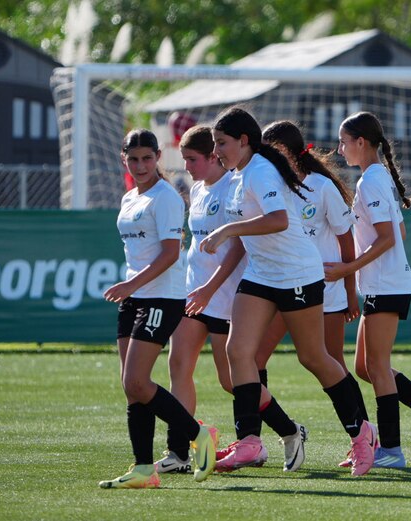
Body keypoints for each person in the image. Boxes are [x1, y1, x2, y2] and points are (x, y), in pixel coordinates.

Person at [201, 107, 377, 476]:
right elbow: (248, 231)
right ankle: (249, 442)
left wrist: (227, 230)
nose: (216, 151)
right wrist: (212, 278)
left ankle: (362, 433)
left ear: (244, 141)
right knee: (239, 352)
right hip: (262, 274)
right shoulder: (239, 175)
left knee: (313, 357)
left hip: (297, 273)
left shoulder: (261, 170)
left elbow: (278, 220)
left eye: (221, 143)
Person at [155, 125, 306, 474]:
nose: (186, 166)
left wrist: (210, 288)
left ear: (213, 156)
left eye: (192, 159)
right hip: (194, 293)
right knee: (178, 364)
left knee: (232, 381)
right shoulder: (198, 188)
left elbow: (238, 246)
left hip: (224, 296)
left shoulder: (233, 187)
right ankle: (179, 452)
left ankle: (289, 430)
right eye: (184, 159)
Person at [325, 111, 411, 468]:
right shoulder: (378, 177)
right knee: (365, 367)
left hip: (386, 285)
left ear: (361, 142)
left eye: (343, 142)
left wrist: (347, 269)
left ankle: (392, 451)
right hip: (384, 282)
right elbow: (399, 233)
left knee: (378, 366)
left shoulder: (371, 181)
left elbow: (387, 238)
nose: (339, 149)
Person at [99, 129, 215, 489]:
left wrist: (130, 285)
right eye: (133, 159)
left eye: (147, 158)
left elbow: (169, 254)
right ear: (124, 159)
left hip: (161, 298)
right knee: (131, 387)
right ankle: (143, 469)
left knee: (137, 380)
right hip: (134, 298)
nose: (140, 165)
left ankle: (198, 435)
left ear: (158, 157)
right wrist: (130, 289)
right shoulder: (129, 197)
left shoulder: (165, 197)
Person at [254, 121, 371, 456]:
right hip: (284, 284)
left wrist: (350, 292)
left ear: (287, 151)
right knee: (253, 359)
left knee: (331, 363)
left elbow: (346, 243)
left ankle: (363, 437)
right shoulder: (273, 185)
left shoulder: (321, 186)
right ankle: (255, 439)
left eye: (271, 149)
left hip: (325, 288)